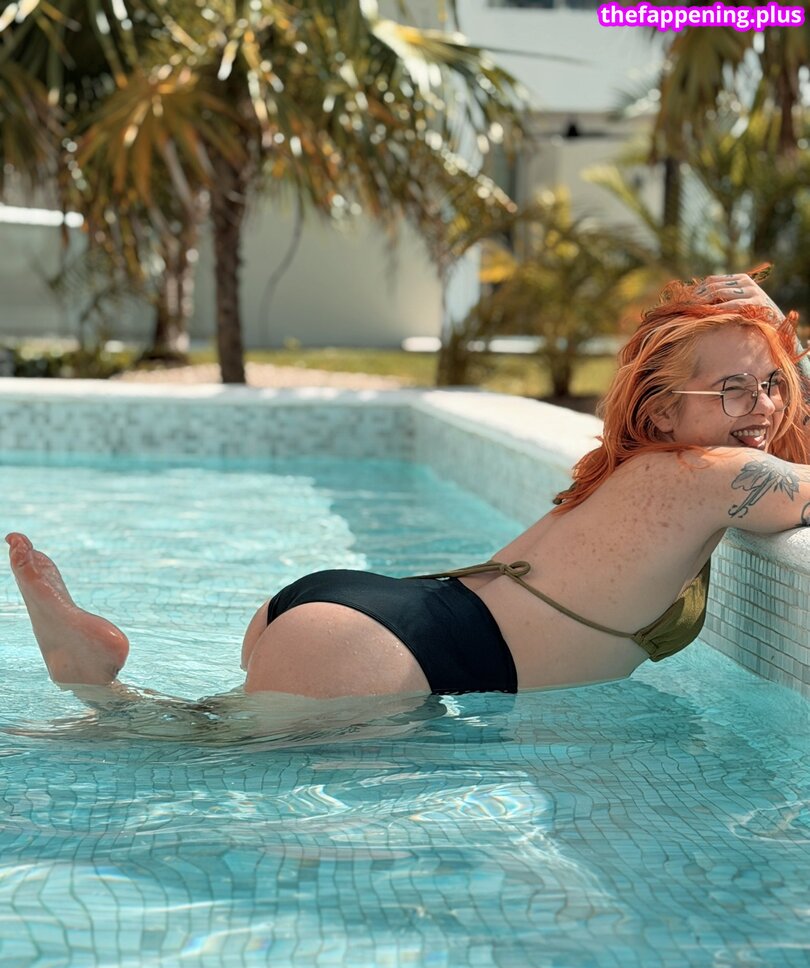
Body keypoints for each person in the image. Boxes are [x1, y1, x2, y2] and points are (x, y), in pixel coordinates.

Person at [6, 273, 810, 705]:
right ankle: (95, 688)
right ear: (663, 409)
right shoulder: (712, 477)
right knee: (180, 761)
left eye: (773, 384)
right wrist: (794, 353)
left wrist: (779, 353)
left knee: (207, 736)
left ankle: (98, 684)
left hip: (372, 619)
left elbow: (788, 442)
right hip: (383, 651)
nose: (765, 405)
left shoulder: (637, 468)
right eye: (735, 389)